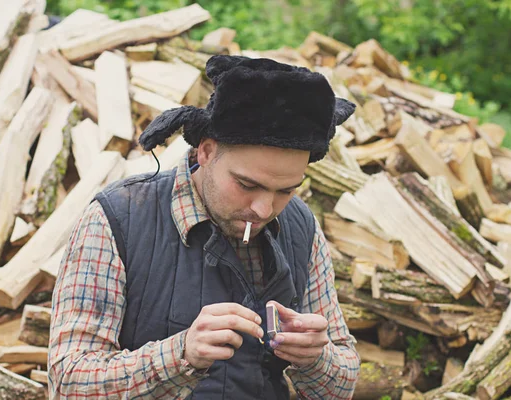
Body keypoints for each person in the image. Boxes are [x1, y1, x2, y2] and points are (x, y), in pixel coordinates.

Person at [48, 55, 360, 399]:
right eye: (246, 184)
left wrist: (317, 359)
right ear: (206, 152)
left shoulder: (301, 225)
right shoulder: (119, 218)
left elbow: (341, 383)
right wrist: (180, 354)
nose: (264, 208)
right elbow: (69, 383)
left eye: (285, 190)